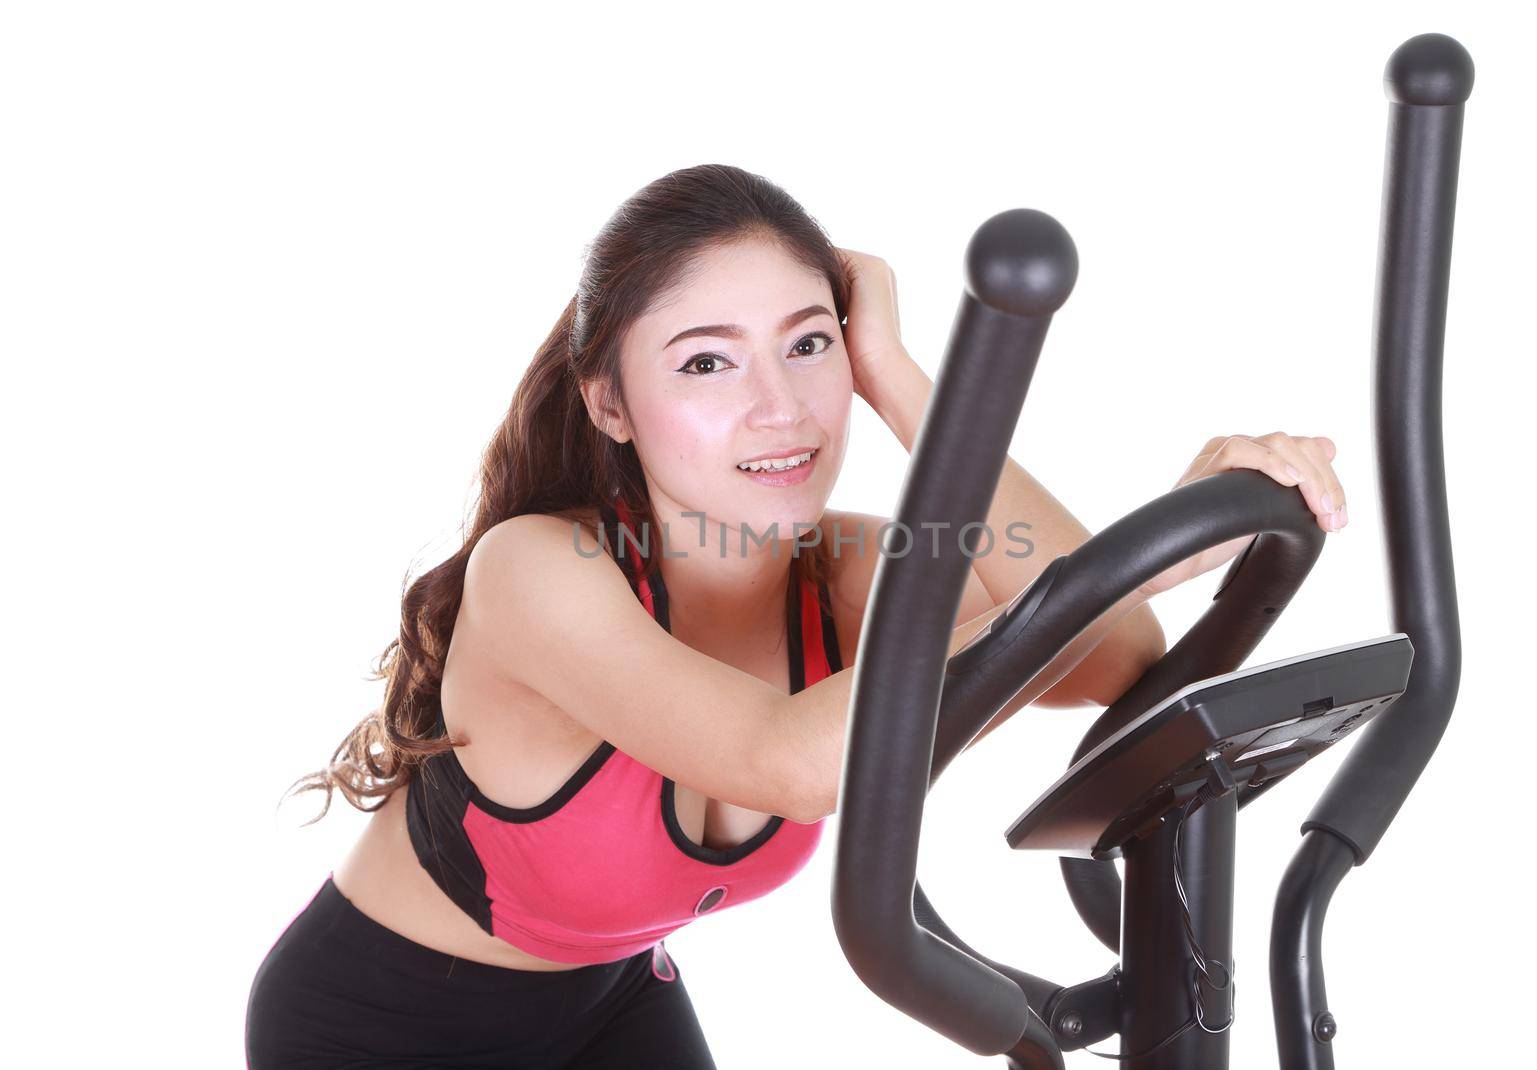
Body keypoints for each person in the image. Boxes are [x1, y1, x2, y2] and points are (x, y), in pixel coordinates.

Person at [244, 162, 1348, 1069]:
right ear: (609, 402)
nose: (781, 407)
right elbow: (790, 760)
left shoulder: (849, 568)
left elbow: (1116, 655)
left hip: (612, 1001)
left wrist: (902, 373)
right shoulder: (537, 572)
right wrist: (1138, 558)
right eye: (709, 360)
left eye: (810, 343)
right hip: (376, 1029)